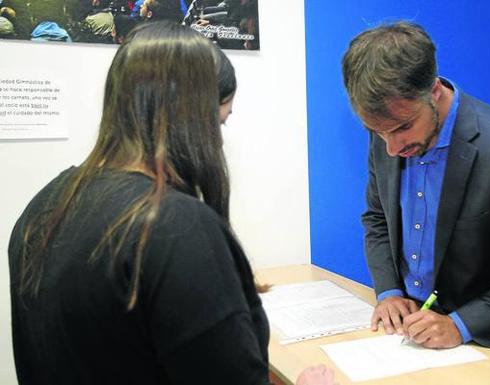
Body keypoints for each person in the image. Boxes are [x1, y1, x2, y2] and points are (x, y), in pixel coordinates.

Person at [9, 21, 333, 385]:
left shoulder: (46, 204)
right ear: (194, 118)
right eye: (220, 122)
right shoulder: (175, 227)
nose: (219, 144)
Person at [341, 21, 490, 350]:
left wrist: (459, 326)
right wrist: (389, 292)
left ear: (433, 91)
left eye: (403, 127)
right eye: (378, 132)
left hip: (484, 343)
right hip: (404, 338)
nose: (391, 148)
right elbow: (378, 218)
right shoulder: (389, 128)